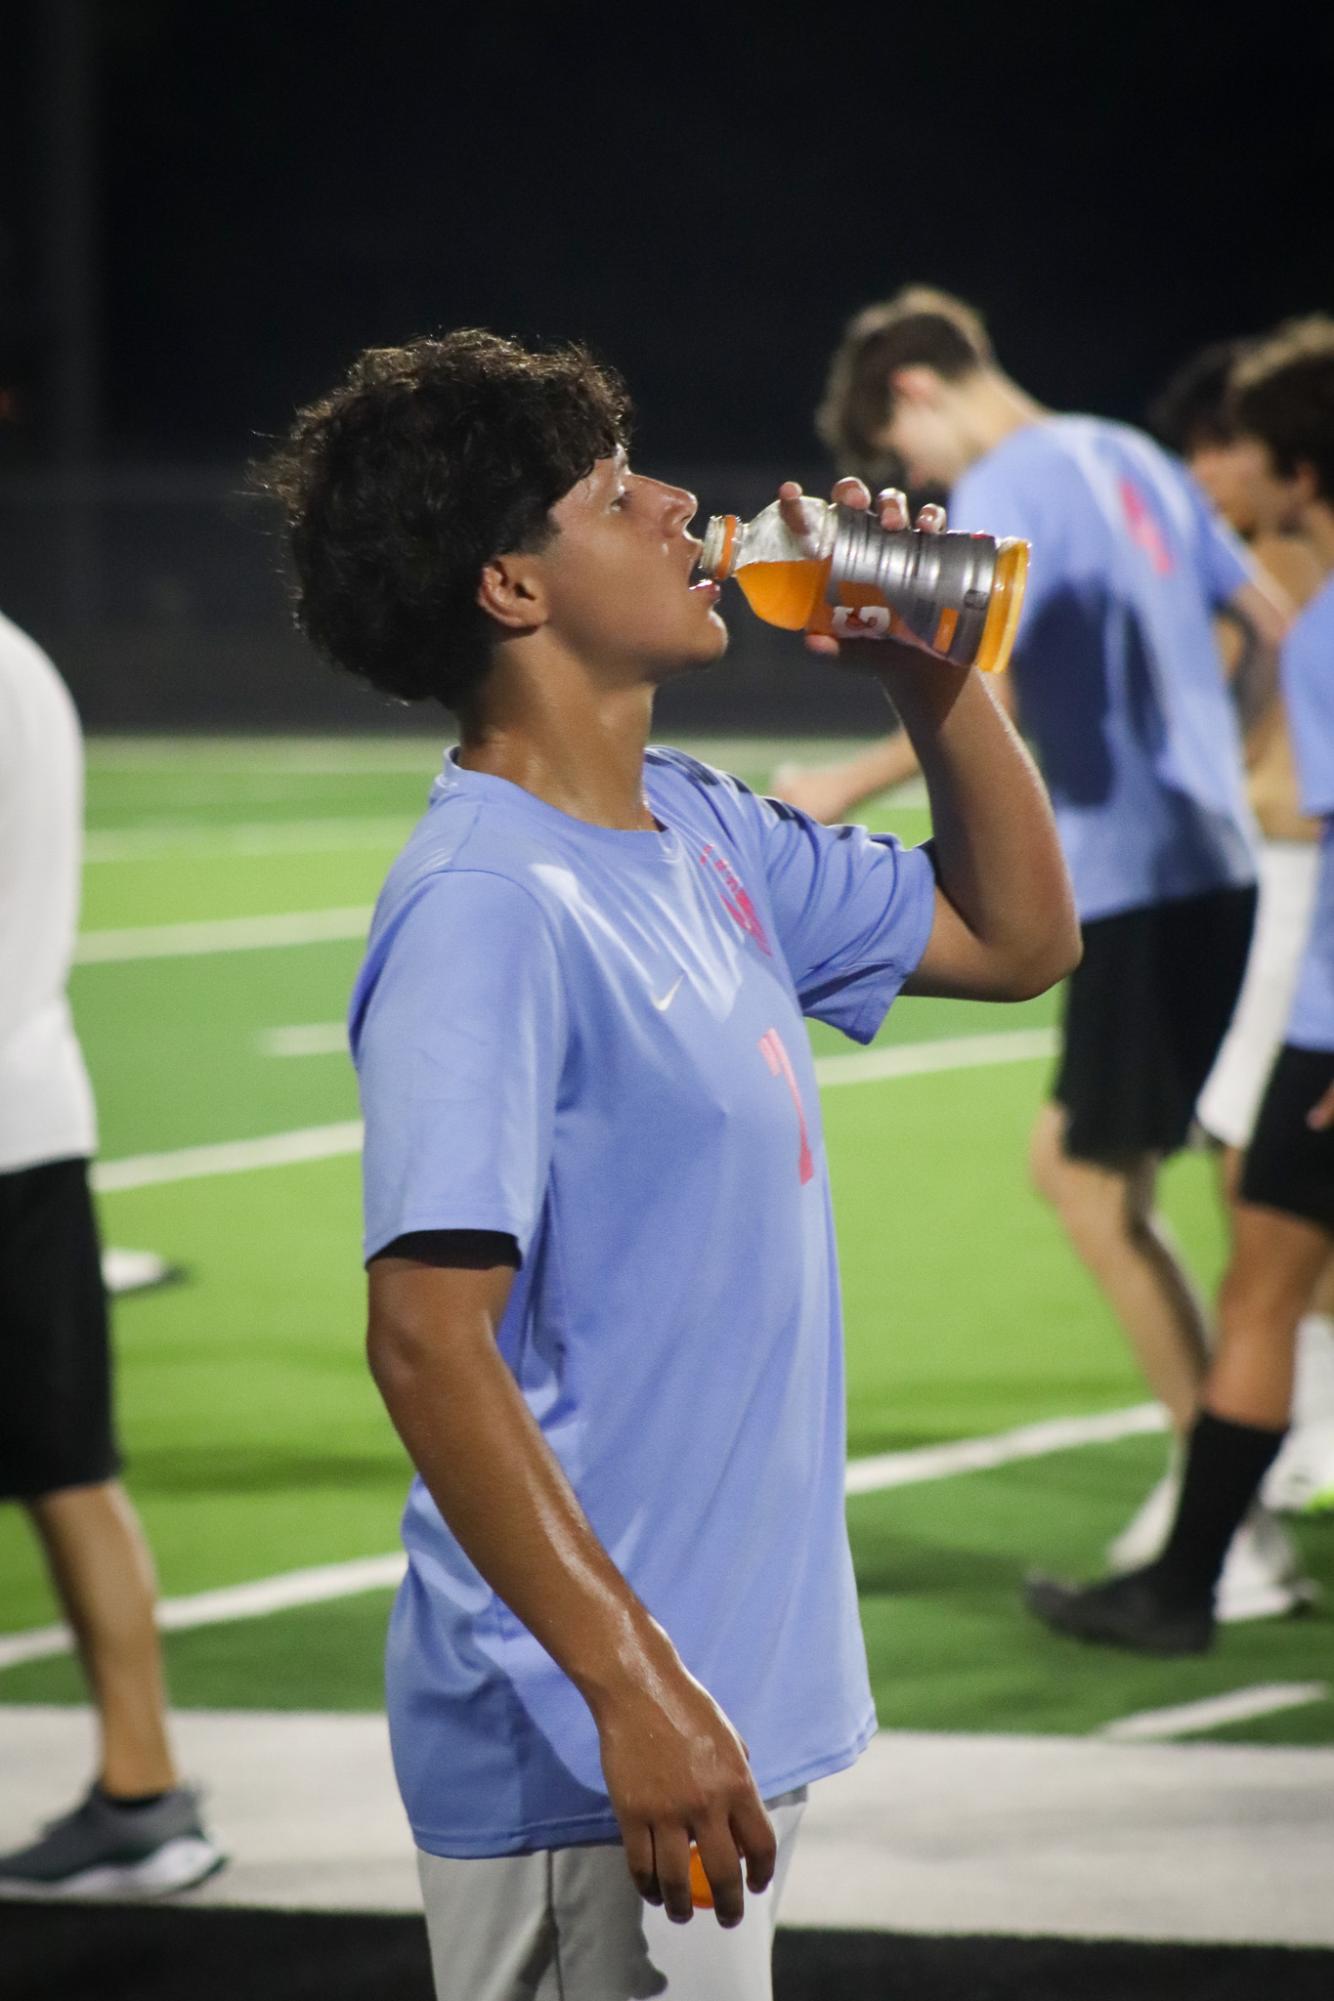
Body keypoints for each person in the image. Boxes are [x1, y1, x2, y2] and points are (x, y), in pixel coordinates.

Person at [259, 329, 1078, 2001]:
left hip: (692, 1695)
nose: (676, 506)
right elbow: (426, 1337)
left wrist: (930, 676)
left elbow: (1014, 936)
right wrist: (630, 1687)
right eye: (613, 492)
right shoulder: (486, 903)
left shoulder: (695, 827)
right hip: (589, 1735)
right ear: (509, 587)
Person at [775, 287, 1304, 1620]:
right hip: (1214, 859)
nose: (916, 481)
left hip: (1126, 878)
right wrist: (1217, 756)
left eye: (905, 462)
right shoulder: (1121, 448)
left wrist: (840, 783)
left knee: (1088, 1187)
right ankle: (1222, 1506)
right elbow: (1270, 623)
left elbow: (967, 688)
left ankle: (1221, 1522)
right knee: (1110, 1181)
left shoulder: (1008, 482)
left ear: (912, 394)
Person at [1026, 317, 1334, 1654]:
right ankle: (1197, 1573)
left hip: (1308, 995)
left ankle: (1198, 1576)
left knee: (1248, 1274)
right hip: (1306, 989)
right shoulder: (1300, 597)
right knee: (1262, 1270)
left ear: (1295, 463)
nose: (1224, 474)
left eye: (1242, 450)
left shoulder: (1308, 603)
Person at [0, 609, 224, 1896]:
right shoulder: (30, 658)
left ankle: (145, 1796)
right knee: (70, 1469)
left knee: (69, 1469)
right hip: (32, 1107)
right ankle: (143, 1790)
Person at [1152, 340, 1334, 1520]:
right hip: (1288, 909)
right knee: (1261, 1201)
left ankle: (1211, 1536)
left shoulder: (1293, 588)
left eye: (1241, 450)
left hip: (1300, 925)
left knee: (1254, 1202)